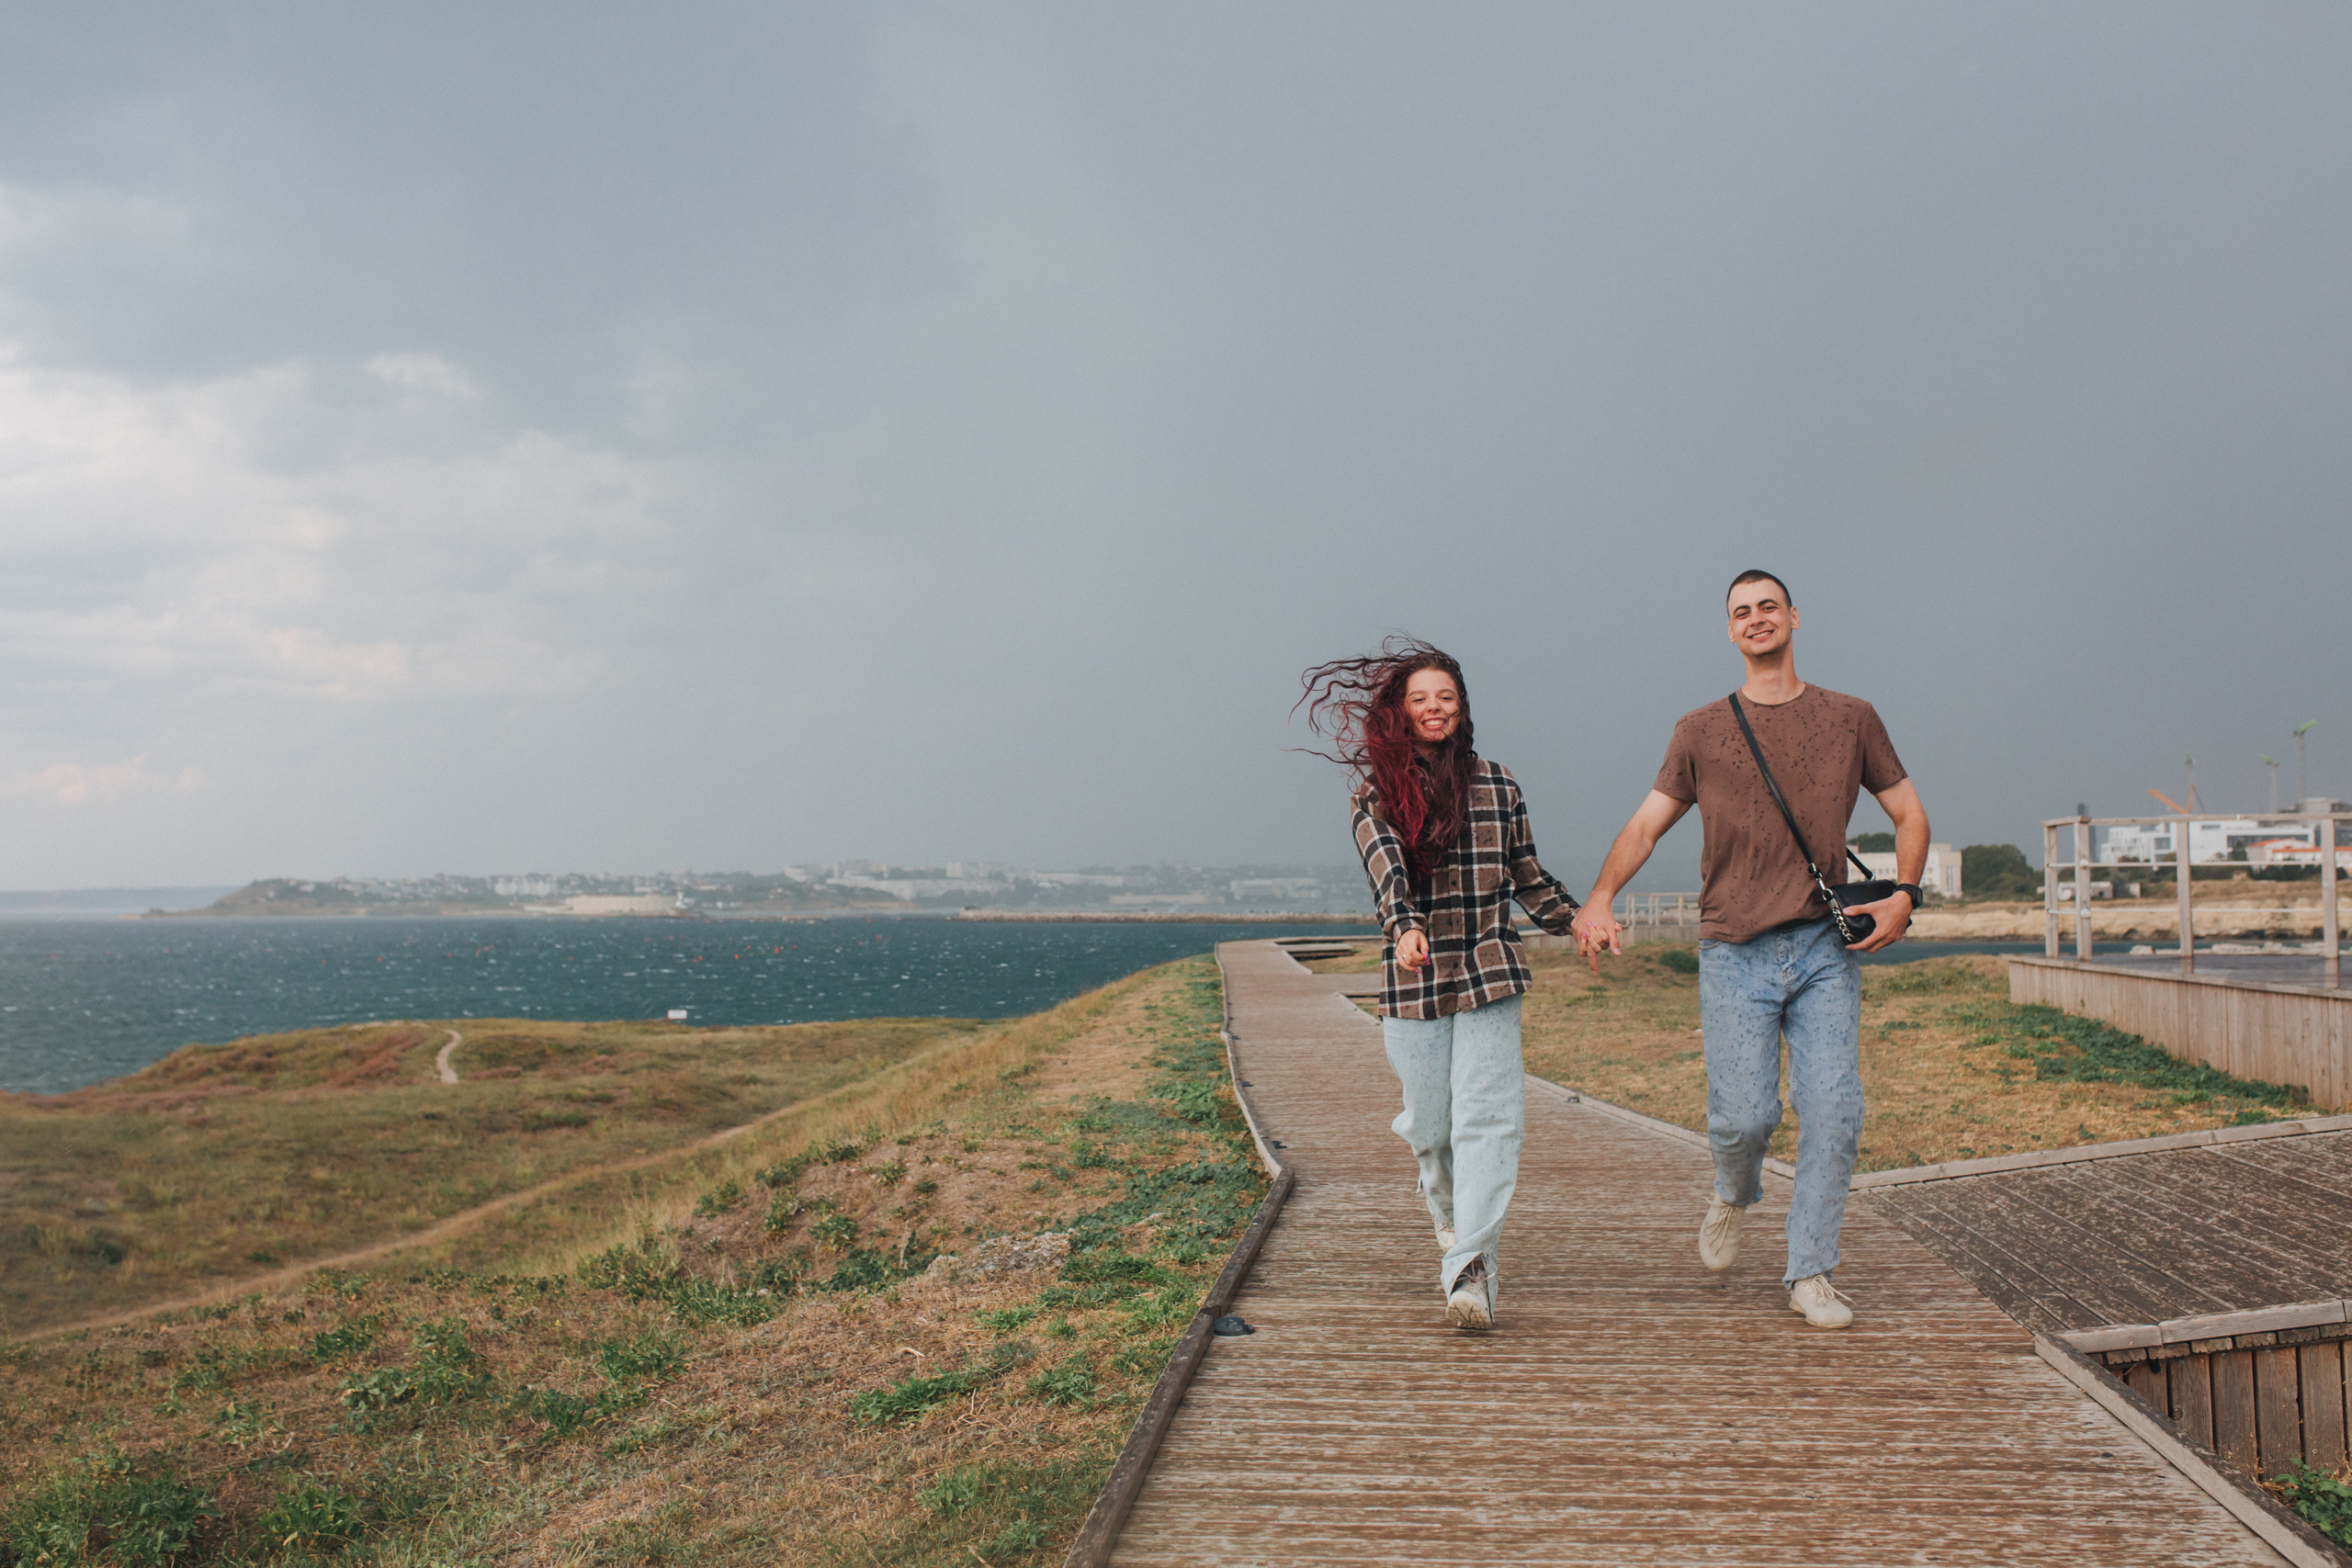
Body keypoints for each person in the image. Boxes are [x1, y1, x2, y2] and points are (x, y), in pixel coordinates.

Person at [1569, 571, 1928, 1329]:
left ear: (1794, 616)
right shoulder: (1700, 729)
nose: (1757, 618)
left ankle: (1812, 1270)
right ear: (1729, 631)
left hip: (1824, 947)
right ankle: (1733, 1191)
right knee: (1744, 1119)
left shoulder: (1852, 717)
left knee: (1834, 1109)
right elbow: (1644, 827)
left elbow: (1909, 811)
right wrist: (1600, 897)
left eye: (1768, 605)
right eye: (1742, 612)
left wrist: (1904, 893)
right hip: (1733, 948)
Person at [1299, 638, 1583, 1331]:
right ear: (1401, 711)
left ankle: (1472, 1268)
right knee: (1431, 1127)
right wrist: (1404, 930)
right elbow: (1388, 877)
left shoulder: (1499, 784)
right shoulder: (1375, 794)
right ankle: (1451, 1222)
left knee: (1488, 1119)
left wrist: (1578, 921)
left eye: (1446, 698)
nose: (1434, 709)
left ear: (1462, 708)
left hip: (1489, 966)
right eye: (1421, 699)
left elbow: (1528, 878)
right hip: (1416, 975)